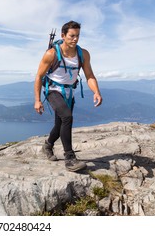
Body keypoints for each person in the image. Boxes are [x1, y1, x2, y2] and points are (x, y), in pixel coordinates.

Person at [34, 20, 103, 172]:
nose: (75, 39)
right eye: (72, 36)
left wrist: (96, 92)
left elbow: (89, 75)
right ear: (63, 35)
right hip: (53, 90)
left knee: (60, 124)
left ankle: (48, 145)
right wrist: (38, 100)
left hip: (69, 91)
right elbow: (39, 76)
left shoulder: (82, 54)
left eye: (77, 36)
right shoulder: (52, 54)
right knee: (67, 117)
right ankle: (70, 158)